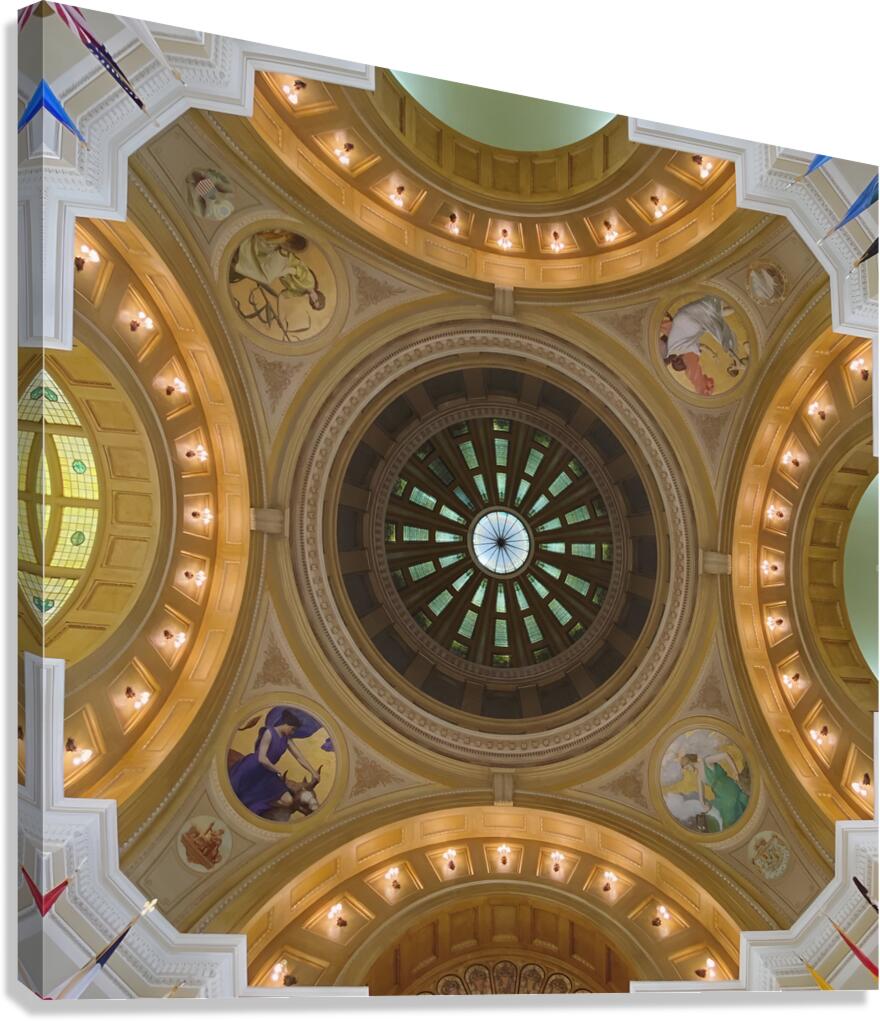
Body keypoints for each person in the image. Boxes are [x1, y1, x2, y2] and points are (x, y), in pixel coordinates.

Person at [229, 706, 325, 818]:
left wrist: (313, 772)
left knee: (288, 800)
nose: (292, 732)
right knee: (236, 792)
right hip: (252, 768)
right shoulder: (269, 732)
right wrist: (276, 770)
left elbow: (299, 757)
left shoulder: (286, 739)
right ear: (286, 724)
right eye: (292, 729)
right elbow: (262, 758)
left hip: (268, 772)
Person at [660, 295, 738, 396]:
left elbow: (695, 374)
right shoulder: (686, 350)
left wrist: (702, 388)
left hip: (686, 323)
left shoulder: (684, 351)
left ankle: (733, 302)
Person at [231, 230, 325, 311]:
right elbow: (292, 270)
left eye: (312, 303)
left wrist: (280, 316)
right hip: (286, 261)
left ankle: (239, 260)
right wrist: (277, 273)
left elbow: (282, 296)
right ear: (319, 296)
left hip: (280, 267)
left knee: (264, 275)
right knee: (267, 277)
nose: (312, 300)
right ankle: (238, 264)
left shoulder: (299, 293)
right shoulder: (310, 282)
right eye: (316, 300)